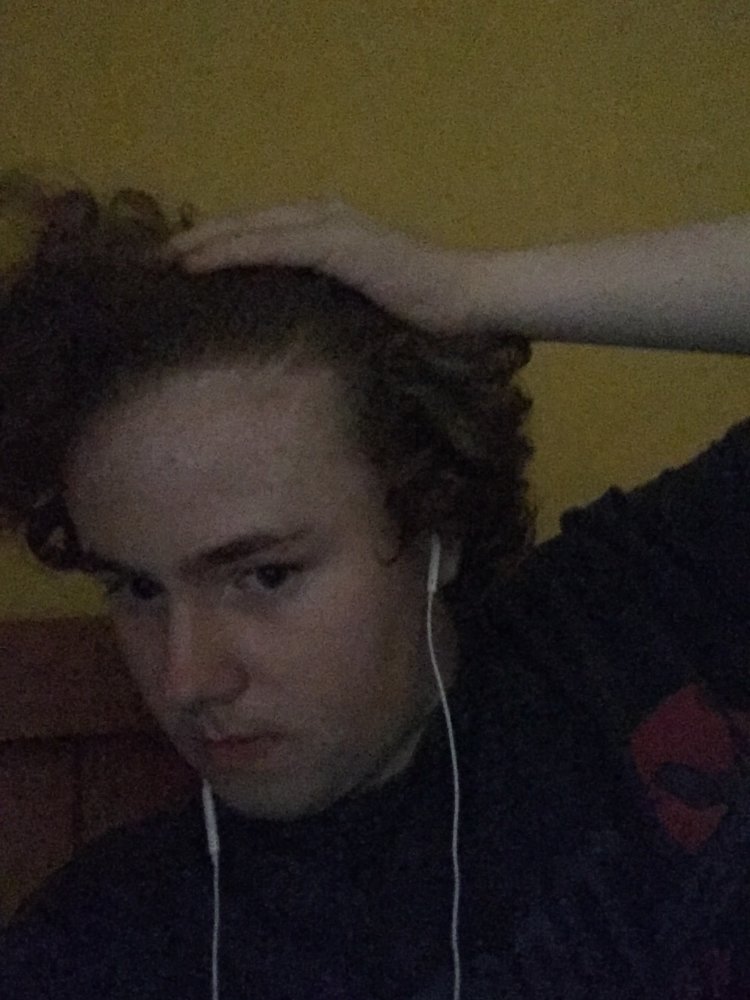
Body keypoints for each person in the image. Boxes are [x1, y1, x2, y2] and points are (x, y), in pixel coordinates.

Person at [0, 174, 746, 1000]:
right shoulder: (101, 947)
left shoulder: (633, 608)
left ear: (435, 525)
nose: (186, 681)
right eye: (138, 590)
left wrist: (477, 290)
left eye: (265, 575)